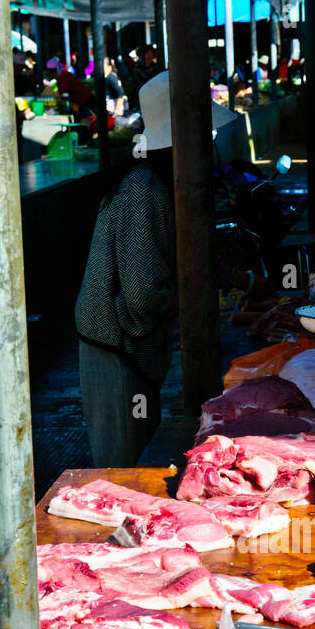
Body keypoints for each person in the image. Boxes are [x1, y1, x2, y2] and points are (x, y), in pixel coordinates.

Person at [75, 72, 237, 466]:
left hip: (130, 347)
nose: (209, 142)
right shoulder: (142, 188)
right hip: (115, 350)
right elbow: (144, 292)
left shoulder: (155, 181)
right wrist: (195, 288)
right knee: (120, 473)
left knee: (137, 453)